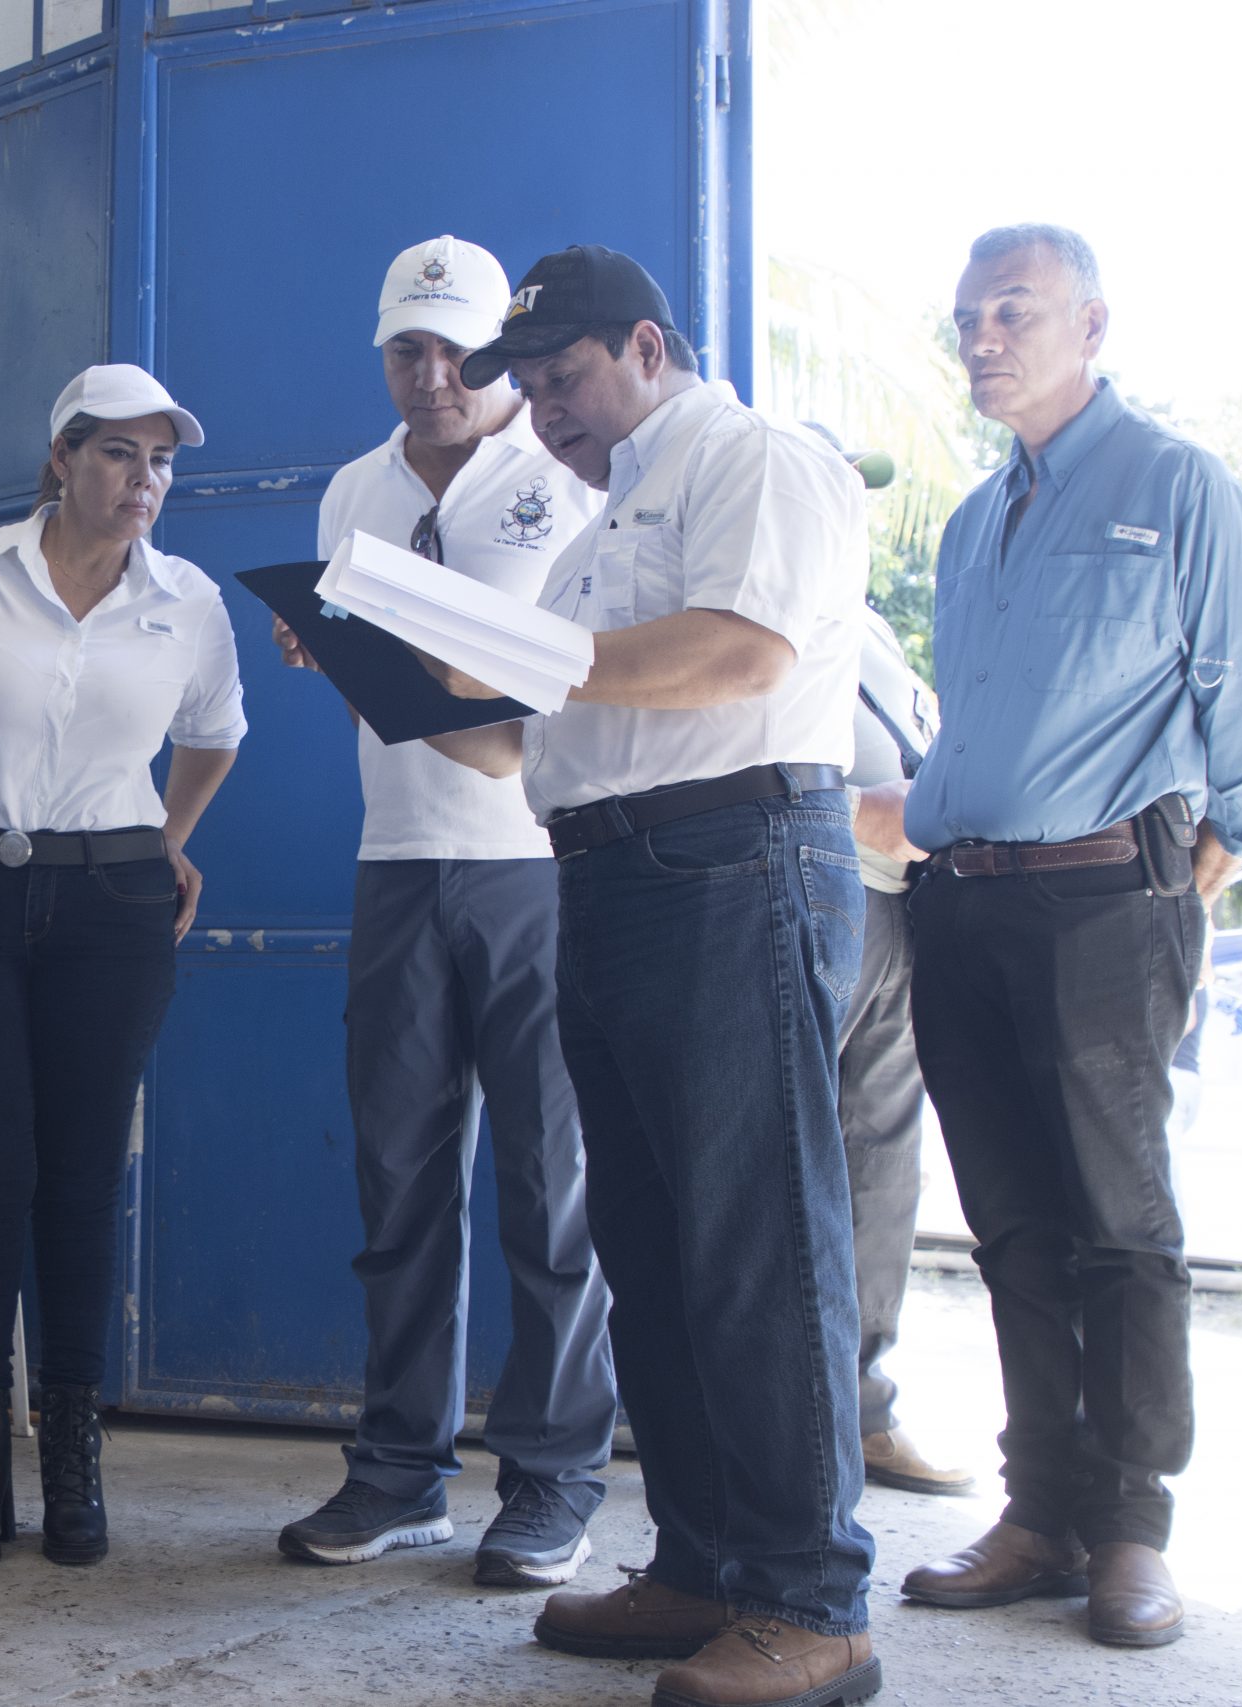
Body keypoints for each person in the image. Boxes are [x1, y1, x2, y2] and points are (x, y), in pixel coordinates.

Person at [424, 247, 880, 1707]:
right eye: (529, 386)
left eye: (561, 376)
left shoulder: (755, 458)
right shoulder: (598, 534)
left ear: (646, 345)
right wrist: (406, 672)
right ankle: (703, 1561)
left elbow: (740, 655)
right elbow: (521, 745)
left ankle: (815, 1598)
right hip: (611, 869)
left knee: (754, 1241)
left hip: (736, 855)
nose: (541, 408)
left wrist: (531, 653)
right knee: (653, 1243)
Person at [866, 224, 1242, 1651]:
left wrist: (1214, 851)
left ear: (1093, 323)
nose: (982, 338)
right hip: (960, 900)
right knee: (1016, 1224)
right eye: (967, 315)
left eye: (1014, 311)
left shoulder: (1177, 483)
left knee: (1122, 1225)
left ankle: (1132, 1524)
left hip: (1110, 898)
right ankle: (1040, 1511)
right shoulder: (977, 523)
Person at [269, 236, 615, 1587]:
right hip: (399, 854)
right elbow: (373, 679)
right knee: (401, 1181)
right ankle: (401, 1471)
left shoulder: (568, 475)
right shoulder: (354, 489)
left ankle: (553, 1479)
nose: (432, 375)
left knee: (550, 1184)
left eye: (457, 351)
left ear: (501, 357)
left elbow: (577, 674)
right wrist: (326, 640)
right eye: (406, 350)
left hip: (537, 854)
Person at [0, 363, 244, 1571]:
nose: (148, 482)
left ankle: (73, 1464)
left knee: (79, 1183)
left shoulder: (186, 601)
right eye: (122, 455)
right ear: (62, 460)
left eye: (163, 460)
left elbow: (216, 735)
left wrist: (161, 848)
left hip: (114, 903)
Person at [835, 599, 971, 1497]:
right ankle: (744, 1424)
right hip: (816, 880)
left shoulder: (873, 619)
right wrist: (847, 811)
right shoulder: (727, 578)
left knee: (881, 1165)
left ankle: (861, 1411)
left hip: (905, 898)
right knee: (772, 1160)